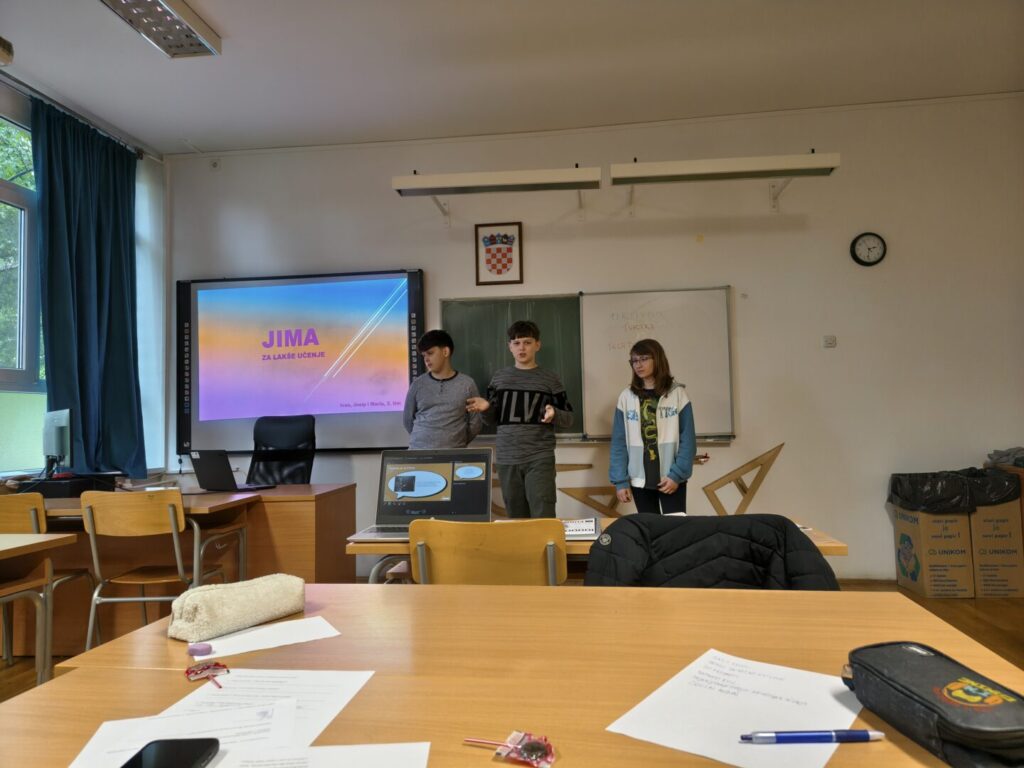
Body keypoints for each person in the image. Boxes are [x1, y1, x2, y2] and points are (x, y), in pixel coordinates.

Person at [466, 320, 572, 518]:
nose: (522, 348)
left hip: (539, 458)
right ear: (510, 347)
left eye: (527, 342)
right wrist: (486, 409)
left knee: (543, 515)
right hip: (507, 459)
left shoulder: (550, 379)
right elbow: (491, 421)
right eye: (516, 343)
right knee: (516, 519)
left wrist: (555, 414)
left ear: (537, 345)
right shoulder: (499, 379)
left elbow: (569, 419)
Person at [609, 338, 696, 514]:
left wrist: (677, 475)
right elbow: (619, 443)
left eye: (644, 359)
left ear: (657, 359)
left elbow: (688, 440)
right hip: (639, 481)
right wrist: (620, 481)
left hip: (671, 478)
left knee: (675, 527)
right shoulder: (626, 397)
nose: (638, 365)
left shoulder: (677, 394)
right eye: (634, 360)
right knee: (649, 528)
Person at [403, 329, 482, 449]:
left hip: (453, 453)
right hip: (419, 452)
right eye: (424, 355)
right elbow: (408, 420)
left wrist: (456, 441)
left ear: (445, 352)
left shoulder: (467, 384)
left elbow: (475, 423)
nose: (426, 359)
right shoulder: (418, 384)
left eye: (430, 353)